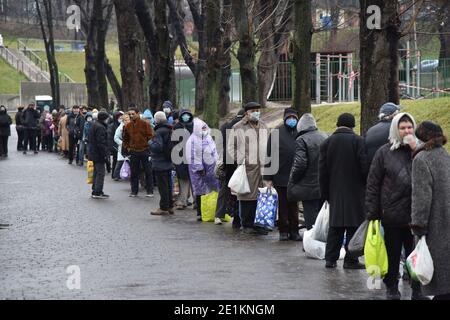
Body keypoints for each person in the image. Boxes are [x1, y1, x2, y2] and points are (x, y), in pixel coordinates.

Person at [366, 112, 428, 300]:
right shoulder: (384, 152)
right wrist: (372, 212)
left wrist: (416, 149)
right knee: (392, 254)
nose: (406, 131)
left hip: (416, 214)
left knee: (417, 255)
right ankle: (391, 287)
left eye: (409, 127)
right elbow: (373, 183)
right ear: (395, 129)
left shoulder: (422, 151)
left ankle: (418, 290)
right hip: (392, 214)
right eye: (402, 128)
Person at [319, 113, 368, 269]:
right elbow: (364, 167)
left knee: (335, 227)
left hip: (335, 191)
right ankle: (351, 260)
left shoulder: (327, 143)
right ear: (352, 125)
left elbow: (322, 172)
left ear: (337, 124)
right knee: (354, 226)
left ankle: (330, 259)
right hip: (356, 192)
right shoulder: (359, 141)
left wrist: (325, 194)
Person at [411, 121, 450, 300]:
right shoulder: (445, 155)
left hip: (434, 226)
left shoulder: (421, 159)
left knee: (437, 280)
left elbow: (421, 197)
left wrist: (419, 227)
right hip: (446, 221)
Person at [227, 101, 269, 235]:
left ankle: (259, 224)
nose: (256, 112)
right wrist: (242, 160)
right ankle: (246, 224)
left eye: (258, 110)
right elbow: (230, 148)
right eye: (253, 110)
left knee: (261, 196)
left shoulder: (264, 126)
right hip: (247, 167)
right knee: (246, 197)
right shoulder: (238, 127)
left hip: (262, 167)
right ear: (246, 113)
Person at [263, 108, 301, 241]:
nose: (292, 120)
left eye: (294, 118)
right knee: (283, 205)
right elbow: (269, 154)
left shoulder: (300, 132)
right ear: (285, 119)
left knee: (294, 205)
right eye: (289, 118)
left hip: (295, 176)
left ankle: (294, 231)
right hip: (280, 175)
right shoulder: (276, 133)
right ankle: (283, 231)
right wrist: (267, 177)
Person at [288, 113, 328, 231]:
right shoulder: (325, 136)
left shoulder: (301, 140)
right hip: (324, 184)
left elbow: (300, 164)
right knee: (322, 216)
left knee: (310, 216)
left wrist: (293, 179)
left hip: (308, 186)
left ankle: (311, 241)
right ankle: (322, 240)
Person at [214, 109, 245, 227]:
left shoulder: (225, 126)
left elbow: (219, 145)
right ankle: (237, 216)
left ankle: (218, 215)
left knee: (224, 190)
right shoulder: (244, 127)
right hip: (240, 163)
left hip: (227, 163)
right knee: (240, 190)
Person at [186, 118, 220, 220]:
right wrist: (199, 168)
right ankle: (200, 213)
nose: (205, 129)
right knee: (200, 191)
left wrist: (217, 162)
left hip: (211, 168)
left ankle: (212, 211)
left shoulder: (208, 137)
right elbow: (192, 156)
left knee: (213, 190)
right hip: (200, 171)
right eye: (202, 128)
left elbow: (214, 150)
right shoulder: (192, 140)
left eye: (205, 127)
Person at [122, 105, 155, 197]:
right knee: (134, 172)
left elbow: (151, 136)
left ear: (138, 114)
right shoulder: (128, 126)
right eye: (130, 114)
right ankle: (134, 191)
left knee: (148, 171)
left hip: (145, 150)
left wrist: (148, 147)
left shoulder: (145, 124)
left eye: (133, 114)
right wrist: (128, 147)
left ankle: (150, 191)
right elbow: (125, 139)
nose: (131, 115)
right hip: (134, 151)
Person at [149, 112, 175, 215]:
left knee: (162, 186)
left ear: (156, 120)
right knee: (168, 185)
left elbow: (157, 147)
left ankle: (163, 207)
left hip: (160, 162)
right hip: (168, 160)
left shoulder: (159, 131)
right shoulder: (169, 129)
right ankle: (170, 206)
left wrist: (150, 142)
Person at [172, 108, 194, 210]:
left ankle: (197, 201)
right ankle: (182, 201)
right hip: (180, 157)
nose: (186, 117)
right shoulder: (176, 127)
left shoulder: (195, 126)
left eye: (187, 115)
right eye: (184, 115)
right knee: (183, 179)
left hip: (193, 157)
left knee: (195, 180)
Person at [88, 111, 110, 199]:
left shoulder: (94, 125)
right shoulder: (101, 127)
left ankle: (95, 190)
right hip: (99, 153)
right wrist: (105, 153)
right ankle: (98, 191)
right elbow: (101, 142)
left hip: (93, 152)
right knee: (100, 173)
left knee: (96, 172)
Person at [113, 114, 131, 181]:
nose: (127, 121)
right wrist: (122, 143)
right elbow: (116, 138)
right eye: (125, 120)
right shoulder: (120, 128)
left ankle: (127, 173)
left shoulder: (130, 126)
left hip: (129, 146)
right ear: (123, 121)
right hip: (123, 146)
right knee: (120, 161)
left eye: (128, 119)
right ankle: (116, 175)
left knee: (128, 161)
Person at [108, 111, 124, 177]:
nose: (120, 119)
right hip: (115, 146)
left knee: (122, 160)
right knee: (116, 160)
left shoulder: (123, 125)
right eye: (119, 118)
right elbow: (110, 137)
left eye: (121, 118)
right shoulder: (112, 126)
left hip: (122, 145)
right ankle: (115, 175)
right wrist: (113, 146)